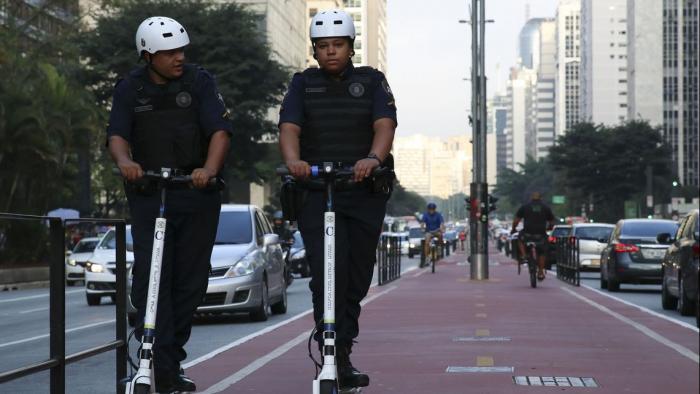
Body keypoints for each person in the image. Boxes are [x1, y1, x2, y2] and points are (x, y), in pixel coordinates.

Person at [106, 16, 231, 393]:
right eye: (169, 52)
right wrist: (126, 163)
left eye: (181, 50)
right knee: (151, 279)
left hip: (195, 193)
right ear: (148, 56)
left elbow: (220, 132)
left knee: (190, 284)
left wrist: (208, 170)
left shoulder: (199, 81)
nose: (179, 58)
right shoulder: (130, 87)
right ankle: (154, 362)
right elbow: (117, 134)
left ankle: (171, 361)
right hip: (149, 194)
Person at [277, 9, 396, 390]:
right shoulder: (302, 84)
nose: (331, 52)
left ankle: (342, 345)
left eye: (338, 45)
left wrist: (373, 159)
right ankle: (333, 352)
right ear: (314, 50)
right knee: (328, 275)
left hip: (362, 192)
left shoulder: (372, 81)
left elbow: (384, 124)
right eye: (323, 46)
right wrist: (294, 162)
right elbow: (289, 127)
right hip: (316, 192)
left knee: (356, 278)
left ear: (351, 47)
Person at [511, 192, 555, 281]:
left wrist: (513, 229)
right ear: (540, 198)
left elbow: (516, 220)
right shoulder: (545, 208)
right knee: (542, 252)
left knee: (519, 239)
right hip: (541, 233)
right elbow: (552, 221)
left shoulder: (525, 207)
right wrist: (549, 227)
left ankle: (523, 255)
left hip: (527, 233)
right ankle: (541, 272)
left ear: (531, 198)